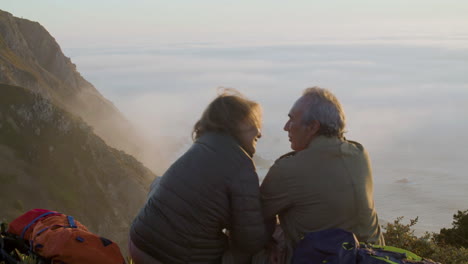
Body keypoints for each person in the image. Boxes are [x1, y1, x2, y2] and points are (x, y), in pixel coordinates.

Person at [129, 89, 268, 264]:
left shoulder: (201, 146)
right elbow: (250, 241)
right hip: (171, 257)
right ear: (235, 123)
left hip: (139, 241)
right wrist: (273, 226)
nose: (260, 132)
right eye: (253, 122)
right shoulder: (242, 165)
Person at [259, 87, 384, 263]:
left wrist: (269, 244)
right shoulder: (359, 153)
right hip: (375, 257)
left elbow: (253, 217)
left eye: (291, 119)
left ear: (312, 127)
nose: (285, 127)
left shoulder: (290, 168)